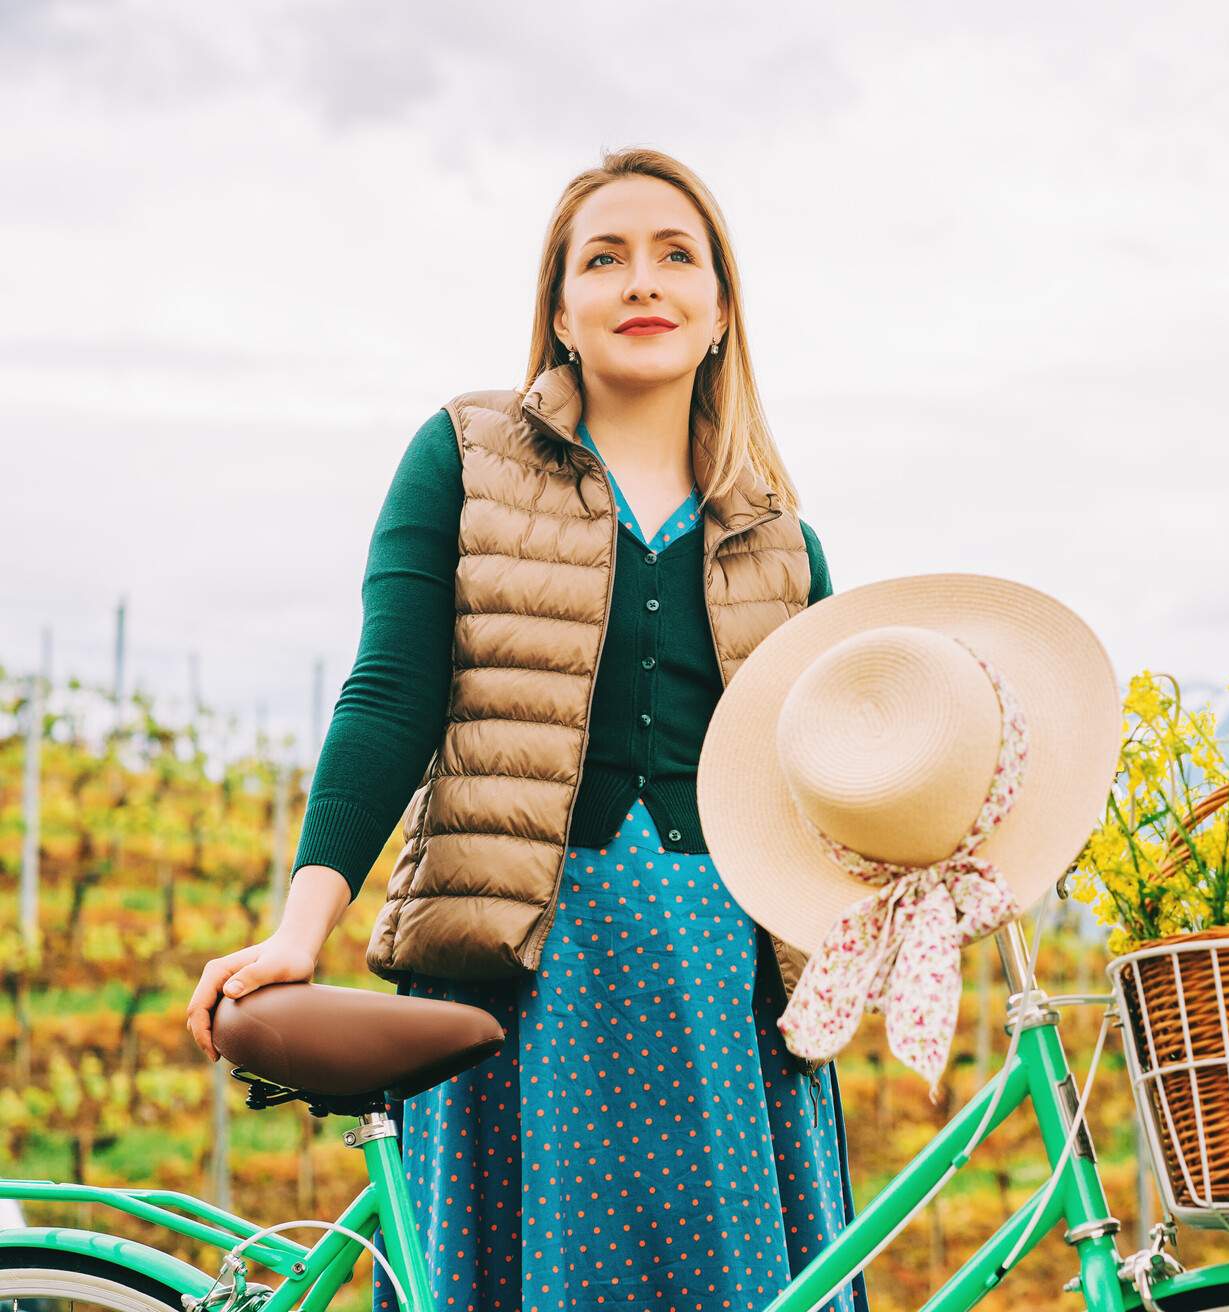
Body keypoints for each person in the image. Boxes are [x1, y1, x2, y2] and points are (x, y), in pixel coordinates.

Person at [184, 146, 869, 1312]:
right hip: (524, 968)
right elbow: (388, 697)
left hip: (724, 989)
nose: (640, 281)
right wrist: (305, 925)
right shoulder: (466, 458)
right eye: (602, 259)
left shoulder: (783, 544)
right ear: (559, 310)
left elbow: (828, 782)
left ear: (718, 313)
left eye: (675, 256)